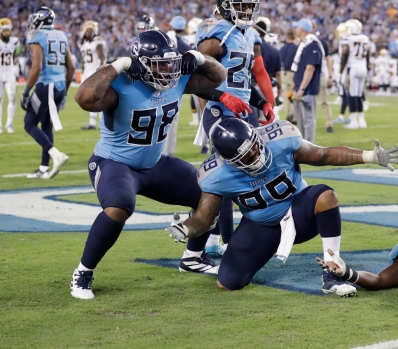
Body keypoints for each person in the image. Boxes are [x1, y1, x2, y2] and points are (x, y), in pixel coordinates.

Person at [166, 117, 398, 296]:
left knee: (326, 196)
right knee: (228, 282)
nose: (257, 155)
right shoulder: (215, 175)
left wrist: (369, 157)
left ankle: (331, 272)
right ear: (230, 161)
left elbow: (321, 155)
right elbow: (204, 218)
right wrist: (186, 229)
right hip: (260, 226)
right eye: (247, 156)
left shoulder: (279, 138)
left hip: (299, 212)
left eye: (255, 146)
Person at [70, 29, 227, 299]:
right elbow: (84, 98)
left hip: (154, 164)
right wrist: (118, 65)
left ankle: (192, 257)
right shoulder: (121, 84)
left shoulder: (176, 79)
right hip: (114, 163)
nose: (167, 69)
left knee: (210, 189)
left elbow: (219, 76)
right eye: (159, 64)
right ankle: (83, 271)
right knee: (120, 205)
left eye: (171, 62)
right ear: (139, 64)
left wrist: (198, 57)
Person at [193, 0, 278, 259]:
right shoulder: (216, 31)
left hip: (243, 110)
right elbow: (193, 79)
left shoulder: (249, 33)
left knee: (252, 173)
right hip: (221, 112)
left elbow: (242, 80)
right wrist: (222, 97)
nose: (247, 12)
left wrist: (263, 103)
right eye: (241, 6)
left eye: (249, 6)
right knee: (227, 175)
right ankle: (226, 241)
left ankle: (222, 238)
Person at [21, 7, 74, 179]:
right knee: (46, 125)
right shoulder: (62, 35)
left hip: (46, 86)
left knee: (29, 123)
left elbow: (36, 67)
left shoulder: (38, 37)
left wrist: (26, 92)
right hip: (59, 86)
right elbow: (71, 67)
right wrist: (64, 92)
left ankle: (56, 154)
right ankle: (44, 169)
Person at [162, 16, 191, 157]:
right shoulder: (185, 46)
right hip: (175, 87)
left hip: (158, 85)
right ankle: (168, 154)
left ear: (171, 26)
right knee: (171, 120)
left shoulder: (164, 41)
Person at [291, 18, 323, 143]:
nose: (295, 29)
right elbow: (300, 68)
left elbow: (310, 69)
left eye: (297, 27)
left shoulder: (312, 45)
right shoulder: (304, 44)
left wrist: (302, 88)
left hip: (307, 90)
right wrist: (295, 86)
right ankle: (304, 145)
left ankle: (310, 145)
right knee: (300, 119)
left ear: (302, 29)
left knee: (308, 119)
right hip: (301, 88)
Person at [340, 19, 370, 130]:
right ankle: (361, 120)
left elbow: (345, 54)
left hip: (353, 67)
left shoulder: (348, 38)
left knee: (352, 94)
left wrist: (340, 71)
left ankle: (353, 121)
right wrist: (368, 66)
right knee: (358, 94)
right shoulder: (365, 38)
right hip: (363, 67)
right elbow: (368, 54)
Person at [79, 20, 106, 130]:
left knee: (98, 99)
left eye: (91, 30)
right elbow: (83, 60)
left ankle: (103, 123)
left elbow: (102, 57)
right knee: (90, 99)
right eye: (87, 30)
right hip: (87, 73)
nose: (89, 32)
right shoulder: (85, 43)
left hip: (94, 72)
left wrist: (100, 72)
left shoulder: (97, 42)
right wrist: (83, 71)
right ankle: (92, 123)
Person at [311, 21, 335, 134]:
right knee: (308, 102)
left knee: (323, 101)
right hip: (310, 75)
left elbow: (328, 59)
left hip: (318, 75)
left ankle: (329, 124)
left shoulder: (320, 43)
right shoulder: (304, 42)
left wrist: (330, 75)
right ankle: (310, 124)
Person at [0, 17, 18, 134]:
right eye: (4, 30)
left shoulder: (14, 41)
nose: (6, 32)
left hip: (10, 72)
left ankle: (9, 124)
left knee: (12, 97)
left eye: (8, 30)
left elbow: (14, 55)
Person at [279, 28, 298, 124]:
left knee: (287, 95)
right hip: (293, 73)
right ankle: (292, 115)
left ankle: (288, 113)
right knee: (293, 94)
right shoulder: (296, 48)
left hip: (284, 73)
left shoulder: (282, 48)